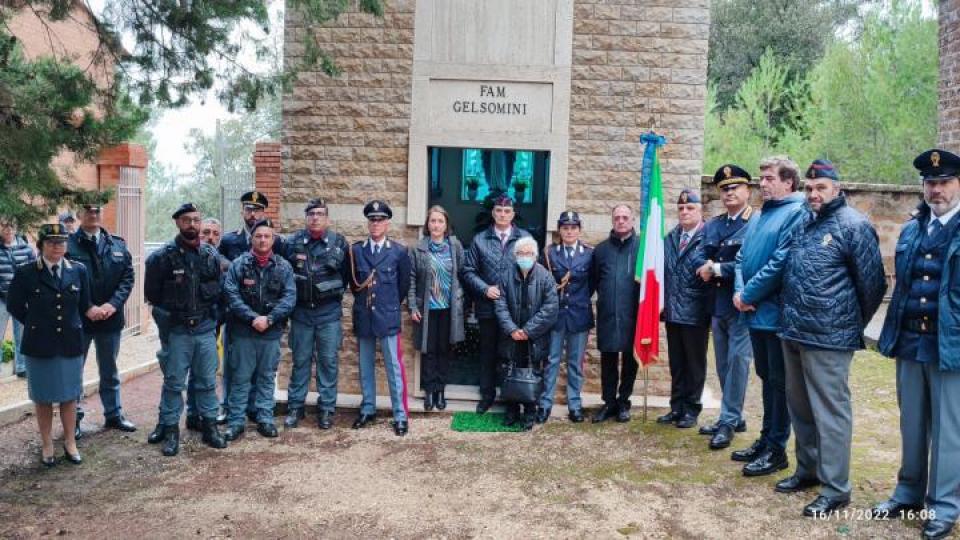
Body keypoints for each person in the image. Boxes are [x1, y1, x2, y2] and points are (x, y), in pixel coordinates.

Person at [777, 159, 886, 517]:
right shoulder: (806, 222)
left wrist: (847, 325)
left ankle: (837, 488)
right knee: (801, 408)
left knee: (830, 414)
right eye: (809, 188)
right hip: (794, 330)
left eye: (820, 187)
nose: (813, 194)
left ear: (837, 189)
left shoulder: (854, 225)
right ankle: (807, 470)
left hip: (829, 338)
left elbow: (873, 285)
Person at [874, 149, 960, 540]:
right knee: (912, 424)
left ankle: (942, 505)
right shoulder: (911, 229)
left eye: (943, 182)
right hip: (911, 340)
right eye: (930, 183)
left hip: (950, 345)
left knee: (947, 431)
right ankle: (908, 491)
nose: (936, 189)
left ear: (957, 184)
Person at [732, 156, 806, 477]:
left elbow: (780, 262)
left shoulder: (795, 213)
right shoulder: (761, 215)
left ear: (788, 182)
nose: (762, 183)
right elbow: (740, 257)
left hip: (775, 314)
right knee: (765, 377)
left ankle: (777, 448)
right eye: (761, 178)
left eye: (768, 178)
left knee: (779, 382)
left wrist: (747, 295)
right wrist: (740, 292)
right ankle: (765, 439)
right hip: (754, 313)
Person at [6, 224, 96, 466]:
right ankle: (47, 444)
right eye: (51, 242)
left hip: (70, 342)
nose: (57, 246)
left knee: (69, 397)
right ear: (41, 245)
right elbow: (14, 305)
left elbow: (85, 303)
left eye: (61, 242)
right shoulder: (26, 272)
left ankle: (70, 442)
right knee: (43, 398)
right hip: (39, 343)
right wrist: (35, 323)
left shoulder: (78, 271)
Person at [143, 203, 228, 456]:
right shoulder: (161, 258)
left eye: (196, 220)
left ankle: (210, 427)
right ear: (178, 223)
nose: (192, 225)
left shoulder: (211, 257)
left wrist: (213, 321)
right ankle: (170, 432)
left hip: (204, 330)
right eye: (187, 220)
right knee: (173, 383)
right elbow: (153, 297)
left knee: (206, 382)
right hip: (178, 331)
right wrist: (169, 326)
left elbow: (220, 294)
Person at [66, 203, 137, 439]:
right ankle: (73, 418)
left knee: (110, 369)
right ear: (79, 215)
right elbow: (66, 281)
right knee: (74, 371)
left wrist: (111, 305)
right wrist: (86, 307)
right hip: (80, 320)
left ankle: (114, 414)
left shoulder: (117, 244)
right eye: (87, 211)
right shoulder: (67, 245)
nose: (93, 214)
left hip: (110, 318)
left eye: (97, 211)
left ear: (101, 214)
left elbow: (128, 277)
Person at [696, 165, 754, 450]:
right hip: (718, 305)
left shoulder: (756, 222)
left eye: (735, 187)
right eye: (724, 189)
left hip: (742, 304)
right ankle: (734, 415)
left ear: (748, 190)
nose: (729, 193)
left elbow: (753, 264)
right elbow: (701, 254)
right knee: (722, 364)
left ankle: (728, 421)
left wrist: (717, 267)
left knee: (737, 364)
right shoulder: (716, 224)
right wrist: (706, 266)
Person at [222, 219, 296, 440]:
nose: (262, 240)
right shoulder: (239, 265)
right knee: (240, 378)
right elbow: (231, 295)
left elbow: (289, 297)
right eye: (258, 236)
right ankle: (236, 422)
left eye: (267, 236)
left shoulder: (283, 267)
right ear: (251, 239)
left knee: (266, 377)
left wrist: (270, 319)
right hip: (244, 332)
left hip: (270, 333)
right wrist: (253, 318)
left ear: (273, 239)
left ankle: (265, 418)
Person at [281, 198, 350, 429]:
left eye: (320, 214)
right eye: (311, 214)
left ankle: (327, 409)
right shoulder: (292, 243)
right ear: (306, 217)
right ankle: (295, 407)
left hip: (328, 314)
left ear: (327, 218)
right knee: (300, 361)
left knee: (328, 362)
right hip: (301, 313)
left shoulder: (339, 243)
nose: (315, 217)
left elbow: (347, 277)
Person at [462, 194, 531, 414]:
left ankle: (511, 399)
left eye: (507, 211)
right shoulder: (480, 239)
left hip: (514, 310)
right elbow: (468, 270)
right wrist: (485, 288)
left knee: (511, 354)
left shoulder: (524, 239)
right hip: (487, 308)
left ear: (513, 213)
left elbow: (532, 272)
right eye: (499, 211)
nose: (502, 215)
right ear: (493, 213)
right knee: (488, 353)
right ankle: (487, 395)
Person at [348, 200, 412, 436]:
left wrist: (389, 306)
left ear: (387, 223)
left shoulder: (398, 251)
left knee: (393, 368)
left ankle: (399, 415)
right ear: (368, 223)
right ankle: (368, 409)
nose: (375, 224)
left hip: (388, 317)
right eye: (372, 220)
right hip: (364, 316)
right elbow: (353, 284)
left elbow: (403, 285)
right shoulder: (356, 251)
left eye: (380, 220)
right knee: (365, 366)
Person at [494, 236, 558, 430]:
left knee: (533, 372)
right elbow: (500, 305)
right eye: (521, 253)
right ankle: (511, 410)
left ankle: (530, 411)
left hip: (534, 338)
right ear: (515, 256)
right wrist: (512, 329)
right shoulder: (505, 276)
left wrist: (528, 331)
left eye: (529, 253)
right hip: (511, 336)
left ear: (535, 256)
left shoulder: (546, 277)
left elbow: (550, 308)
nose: (525, 257)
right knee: (510, 371)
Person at [658, 189, 710, 429]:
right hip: (672, 311)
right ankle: (676, 407)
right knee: (677, 364)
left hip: (696, 311)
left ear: (700, 211)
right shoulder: (670, 237)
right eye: (681, 208)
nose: (685, 212)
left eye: (690, 208)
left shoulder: (708, 237)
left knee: (694, 364)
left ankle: (691, 409)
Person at [408, 205, 465, 412]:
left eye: (440, 221)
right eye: (433, 221)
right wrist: (413, 305)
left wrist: (461, 298)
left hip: (449, 309)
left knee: (444, 349)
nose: (436, 225)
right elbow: (412, 279)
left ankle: (441, 390)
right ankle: (429, 391)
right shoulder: (418, 248)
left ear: (446, 225)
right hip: (428, 308)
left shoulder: (455, 245)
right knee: (428, 351)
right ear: (427, 224)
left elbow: (463, 274)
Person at [540, 211, 594, 423]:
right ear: (559, 230)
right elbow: (545, 283)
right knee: (552, 360)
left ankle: (574, 404)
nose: (569, 231)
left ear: (579, 230)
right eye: (565, 227)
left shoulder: (589, 253)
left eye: (573, 227)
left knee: (575, 363)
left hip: (579, 315)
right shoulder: (549, 253)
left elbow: (593, 282)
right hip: (555, 316)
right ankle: (545, 404)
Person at [591, 204, 641, 423]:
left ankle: (623, 403)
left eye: (625, 217)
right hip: (608, 315)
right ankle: (609, 402)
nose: (621, 221)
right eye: (617, 217)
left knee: (631, 361)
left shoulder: (642, 249)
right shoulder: (600, 250)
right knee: (608, 361)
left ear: (632, 220)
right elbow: (592, 282)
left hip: (634, 316)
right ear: (612, 220)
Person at [0, 221, 35, 378]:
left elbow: (34, 271)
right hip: (1, 298)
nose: (8, 230)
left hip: (21, 299)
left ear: (16, 229)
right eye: (4, 227)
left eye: (11, 227)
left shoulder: (26, 249)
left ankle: (21, 367)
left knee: (21, 334)